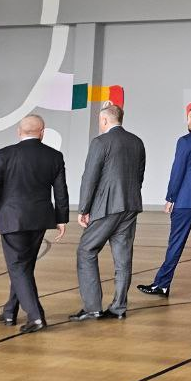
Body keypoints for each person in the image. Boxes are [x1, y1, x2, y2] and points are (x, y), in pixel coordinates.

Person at [0, 115, 67, 334]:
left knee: (18, 267)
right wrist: (61, 218)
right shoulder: (54, 156)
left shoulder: (3, 155)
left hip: (12, 218)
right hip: (40, 219)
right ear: (42, 132)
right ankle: (10, 311)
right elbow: (61, 191)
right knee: (23, 267)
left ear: (19, 132)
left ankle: (36, 317)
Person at [137, 106, 191, 301]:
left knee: (176, 243)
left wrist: (170, 197)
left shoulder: (185, 141)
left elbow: (178, 171)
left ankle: (162, 285)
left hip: (187, 199)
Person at [69, 104, 146, 322]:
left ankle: (92, 307)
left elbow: (90, 177)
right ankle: (119, 307)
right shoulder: (137, 142)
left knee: (86, 251)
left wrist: (84, 208)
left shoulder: (100, 142)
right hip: (130, 205)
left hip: (107, 207)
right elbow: (139, 175)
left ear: (104, 120)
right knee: (123, 259)